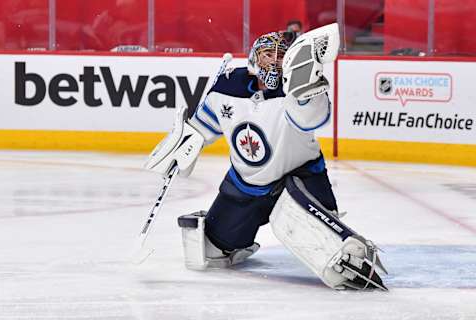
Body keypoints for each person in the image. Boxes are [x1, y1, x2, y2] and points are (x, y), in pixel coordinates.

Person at [146, 24, 387, 291]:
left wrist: (306, 85)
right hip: (245, 186)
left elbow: (311, 119)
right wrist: (182, 145)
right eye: (267, 55)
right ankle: (238, 240)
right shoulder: (228, 86)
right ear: (253, 58)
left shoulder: (297, 88)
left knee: (327, 245)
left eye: (281, 56)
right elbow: (204, 127)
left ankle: (336, 239)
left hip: (299, 179)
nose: (274, 62)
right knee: (210, 253)